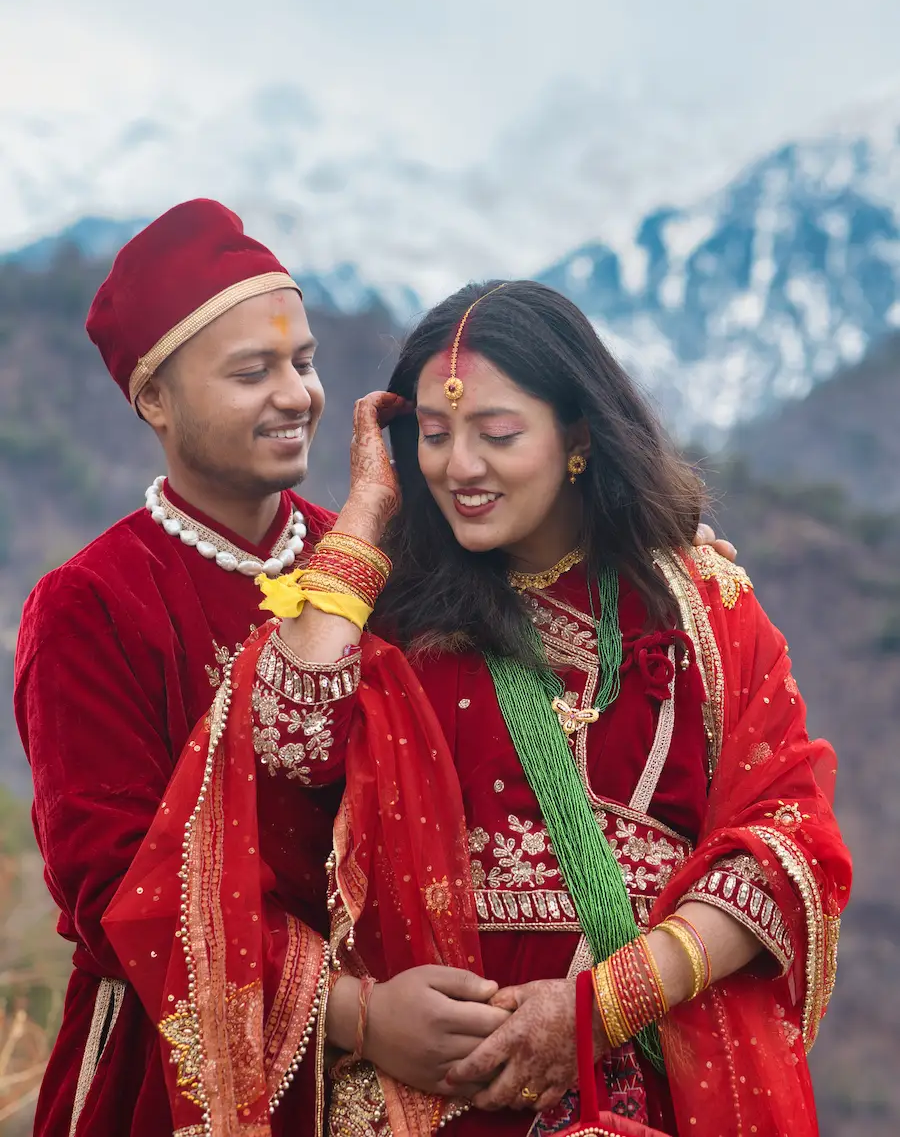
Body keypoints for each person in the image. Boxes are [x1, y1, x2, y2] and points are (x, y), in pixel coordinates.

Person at [104, 279, 850, 1136]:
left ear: (577, 437)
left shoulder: (701, 608)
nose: (460, 467)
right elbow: (285, 746)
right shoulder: (385, 618)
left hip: (662, 1081)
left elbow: (787, 842)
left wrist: (603, 1005)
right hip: (430, 1098)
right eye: (431, 434)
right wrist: (367, 514)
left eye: (496, 434)